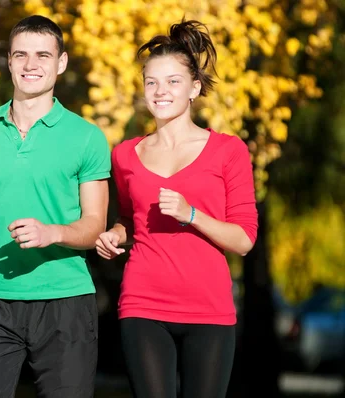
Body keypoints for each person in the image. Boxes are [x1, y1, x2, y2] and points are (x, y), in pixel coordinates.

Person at [0, 15, 111, 398]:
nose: (31, 65)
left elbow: (96, 223)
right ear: (9, 62)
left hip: (64, 301)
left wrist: (52, 233)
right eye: (21, 55)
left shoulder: (87, 138)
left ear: (61, 63)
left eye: (43, 55)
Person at [95, 20, 258, 398]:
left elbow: (245, 240)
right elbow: (128, 219)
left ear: (194, 89)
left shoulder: (228, 151)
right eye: (151, 82)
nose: (160, 91)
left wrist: (192, 215)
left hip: (209, 308)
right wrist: (116, 234)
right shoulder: (125, 155)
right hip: (142, 303)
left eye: (172, 81)